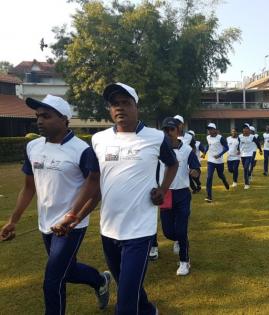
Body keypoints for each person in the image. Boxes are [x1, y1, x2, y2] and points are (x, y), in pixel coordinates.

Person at [52, 82, 179, 315]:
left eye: (125, 103)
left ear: (136, 106)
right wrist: (75, 216)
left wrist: (163, 189)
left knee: (125, 304)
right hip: (109, 229)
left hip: (140, 231)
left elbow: (172, 164)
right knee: (126, 286)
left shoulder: (155, 137)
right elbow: (95, 185)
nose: (119, 108)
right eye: (114, 104)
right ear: (109, 110)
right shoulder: (99, 140)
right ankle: (149, 310)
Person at [0, 95, 111, 315]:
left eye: (47, 116)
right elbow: (29, 188)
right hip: (45, 224)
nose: (40, 121)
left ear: (64, 119)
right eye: (38, 116)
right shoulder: (32, 147)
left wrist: (72, 216)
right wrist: (13, 220)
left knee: (52, 281)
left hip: (71, 226)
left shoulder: (82, 150)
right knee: (66, 271)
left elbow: (94, 189)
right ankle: (100, 280)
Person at [159, 117, 200, 276]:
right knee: (168, 232)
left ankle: (184, 261)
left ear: (178, 131)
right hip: (165, 194)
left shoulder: (187, 150)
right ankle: (179, 240)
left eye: (171, 129)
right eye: (165, 130)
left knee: (181, 230)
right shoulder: (158, 150)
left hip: (182, 193)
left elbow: (196, 169)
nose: (168, 133)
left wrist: (194, 172)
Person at [201, 123, 229, 203]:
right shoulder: (208, 137)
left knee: (220, 175)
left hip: (219, 161)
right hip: (210, 161)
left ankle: (225, 181)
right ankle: (209, 196)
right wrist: (204, 153)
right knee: (209, 177)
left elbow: (227, 148)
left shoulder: (220, 138)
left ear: (215, 130)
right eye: (208, 129)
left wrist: (219, 155)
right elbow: (208, 145)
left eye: (210, 129)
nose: (209, 131)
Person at [239, 124, 262, 189]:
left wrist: (260, 150)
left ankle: (246, 183)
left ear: (248, 130)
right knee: (245, 168)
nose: (245, 129)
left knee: (246, 167)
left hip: (250, 153)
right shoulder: (240, 136)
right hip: (242, 154)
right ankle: (248, 175)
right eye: (244, 128)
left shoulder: (252, 137)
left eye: (246, 128)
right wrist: (238, 150)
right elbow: (238, 144)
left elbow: (257, 143)